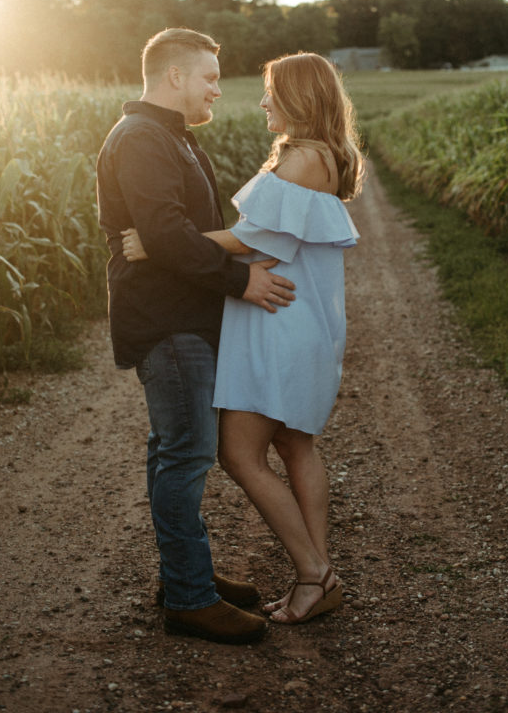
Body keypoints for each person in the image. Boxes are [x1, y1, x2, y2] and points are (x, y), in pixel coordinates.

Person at [123, 52, 364, 625]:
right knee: (293, 446)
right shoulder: (322, 154)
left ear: (301, 97)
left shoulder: (305, 158)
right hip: (299, 318)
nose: (261, 103)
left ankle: (314, 574)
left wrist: (159, 243)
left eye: (271, 93)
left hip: (280, 322)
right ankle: (318, 575)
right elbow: (261, 235)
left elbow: (248, 236)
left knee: (239, 453)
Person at [96, 27, 297, 646]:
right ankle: (188, 597)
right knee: (185, 454)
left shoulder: (167, 137)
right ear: (175, 76)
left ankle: (185, 574)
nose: (217, 87)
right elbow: (166, 235)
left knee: (173, 450)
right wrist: (243, 281)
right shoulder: (141, 139)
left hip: (183, 317)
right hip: (168, 322)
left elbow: (177, 234)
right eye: (209, 75)